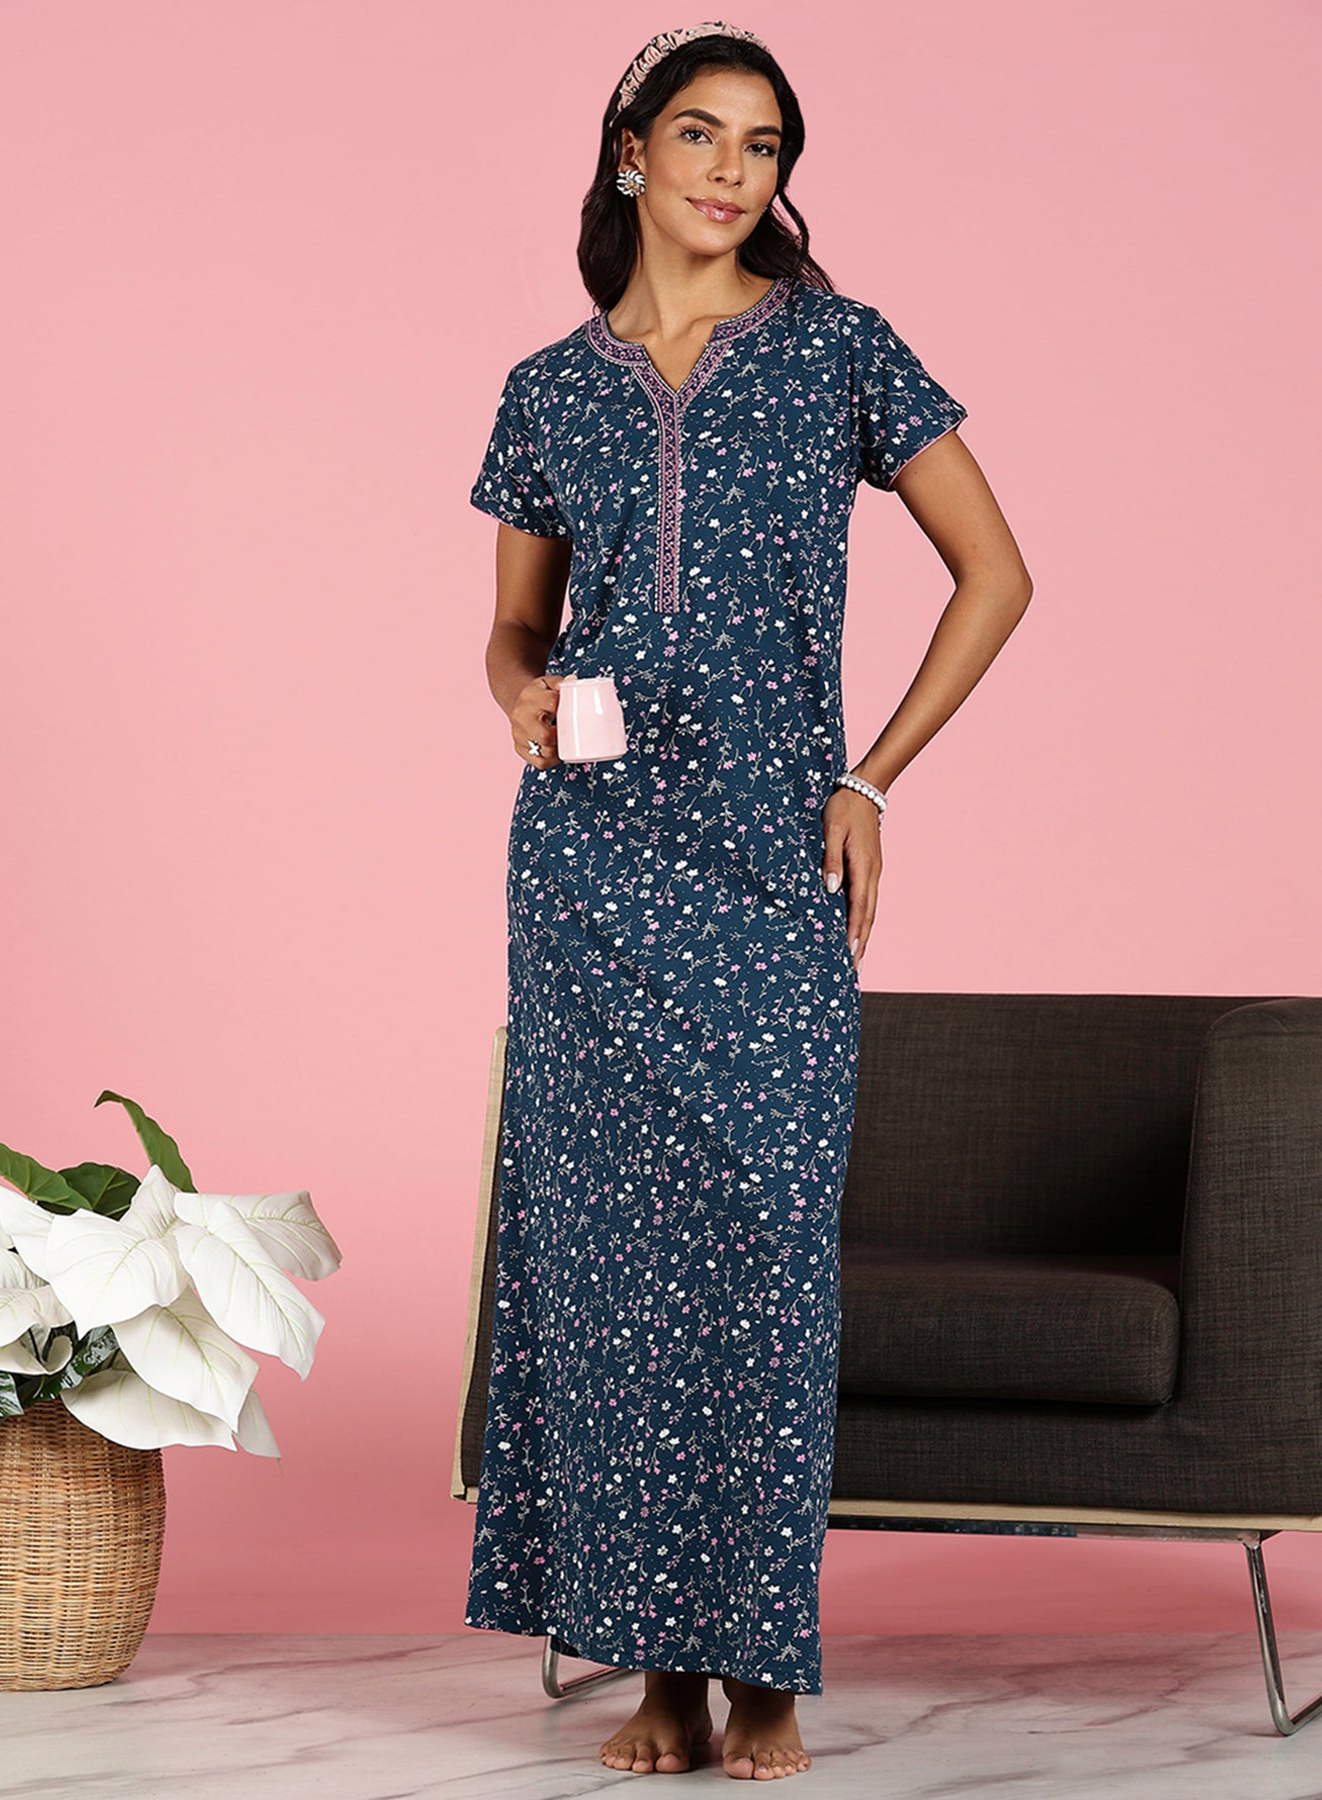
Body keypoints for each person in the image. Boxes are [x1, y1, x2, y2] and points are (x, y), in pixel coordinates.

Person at [465, 18, 1033, 1781]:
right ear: (630, 152)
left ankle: (761, 1664)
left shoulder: (839, 350)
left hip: (767, 864)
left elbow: (996, 573)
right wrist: (517, 693)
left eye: (764, 144)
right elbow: (511, 624)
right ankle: (658, 1669)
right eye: (702, 134)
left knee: (762, 1262)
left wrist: (869, 779)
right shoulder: (546, 389)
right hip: (588, 870)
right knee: (607, 1264)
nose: (733, 170)